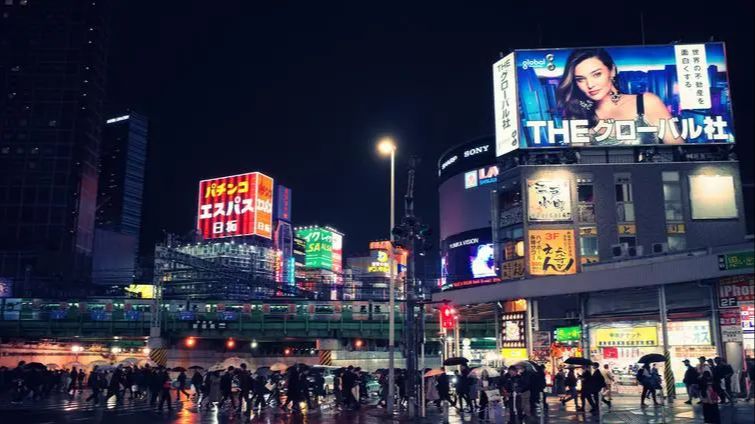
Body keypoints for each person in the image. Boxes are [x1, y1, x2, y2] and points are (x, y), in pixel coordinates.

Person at [556, 48, 683, 146]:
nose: (590, 85)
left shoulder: (646, 102)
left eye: (596, 74)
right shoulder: (578, 114)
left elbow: (678, 149)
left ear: (612, 71)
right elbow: (580, 165)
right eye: (580, 79)